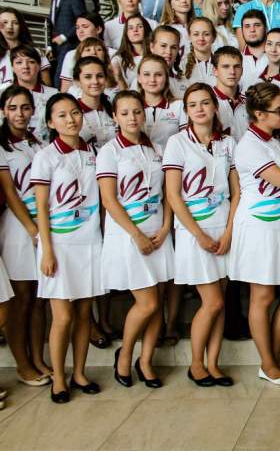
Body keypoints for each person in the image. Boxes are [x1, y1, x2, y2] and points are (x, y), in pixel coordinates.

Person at [228, 82, 280, 386]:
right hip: (258, 228)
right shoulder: (249, 145)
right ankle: (267, 363)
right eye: (279, 110)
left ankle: (273, 356)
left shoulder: (272, 139)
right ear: (259, 114)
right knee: (262, 296)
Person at [163, 82, 240, 387]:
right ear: (186, 111)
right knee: (213, 302)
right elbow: (173, 195)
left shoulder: (228, 143)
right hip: (194, 232)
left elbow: (236, 192)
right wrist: (199, 236)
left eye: (205, 103)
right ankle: (196, 364)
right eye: (193, 105)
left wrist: (229, 232)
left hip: (223, 230)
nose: (200, 109)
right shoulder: (177, 143)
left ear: (215, 107)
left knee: (220, 302)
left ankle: (213, 364)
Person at [98, 90, 174, 389]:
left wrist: (166, 227)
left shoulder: (156, 148)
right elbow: (109, 200)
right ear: (115, 117)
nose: (132, 117)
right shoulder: (110, 152)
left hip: (158, 233)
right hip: (129, 235)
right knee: (147, 302)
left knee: (158, 301)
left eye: (137, 111)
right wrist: (137, 235)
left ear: (144, 114)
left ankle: (146, 360)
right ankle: (125, 354)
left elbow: (167, 193)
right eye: (125, 113)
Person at [33, 93, 103, 403]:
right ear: (50, 123)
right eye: (61, 115)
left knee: (85, 314)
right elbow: (41, 207)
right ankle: (59, 377)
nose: (70, 119)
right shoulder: (46, 157)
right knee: (62, 317)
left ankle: (80, 372)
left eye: (74, 113)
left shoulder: (93, 152)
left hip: (89, 240)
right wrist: (47, 250)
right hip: (59, 244)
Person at [0, 86, 52, 386]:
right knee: (21, 299)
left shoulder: (37, 142)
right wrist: (32, 229)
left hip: (42, 225)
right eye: (13, 108)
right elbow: (10, 193)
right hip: (18, 229)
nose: (19, 114)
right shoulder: (2, 147)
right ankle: (23, 364)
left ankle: (38, 359)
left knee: (38, 298)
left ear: (33, 110)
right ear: (3, 111)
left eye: (25, 107)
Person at [45, 0, 86, 86]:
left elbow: (82, 20)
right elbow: (51, 23)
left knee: (61, 79)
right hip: (56, 48)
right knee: (53, 78)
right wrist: (49, 46)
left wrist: (64, 37)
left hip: (70, 45)